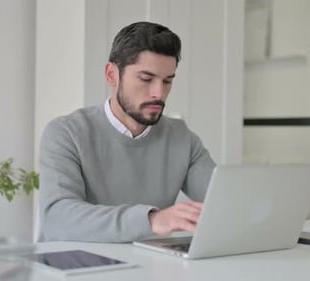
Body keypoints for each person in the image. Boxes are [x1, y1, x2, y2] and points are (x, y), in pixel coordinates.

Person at [38, 21, 216, 243]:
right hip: (75, 268)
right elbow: (57, 219)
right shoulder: (66, 133)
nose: (158, 93)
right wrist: (152, 220)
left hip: (146, 267)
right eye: (146, 79)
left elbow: (222, 204)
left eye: (167, 81)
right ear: (112, 75)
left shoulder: (182, 139)